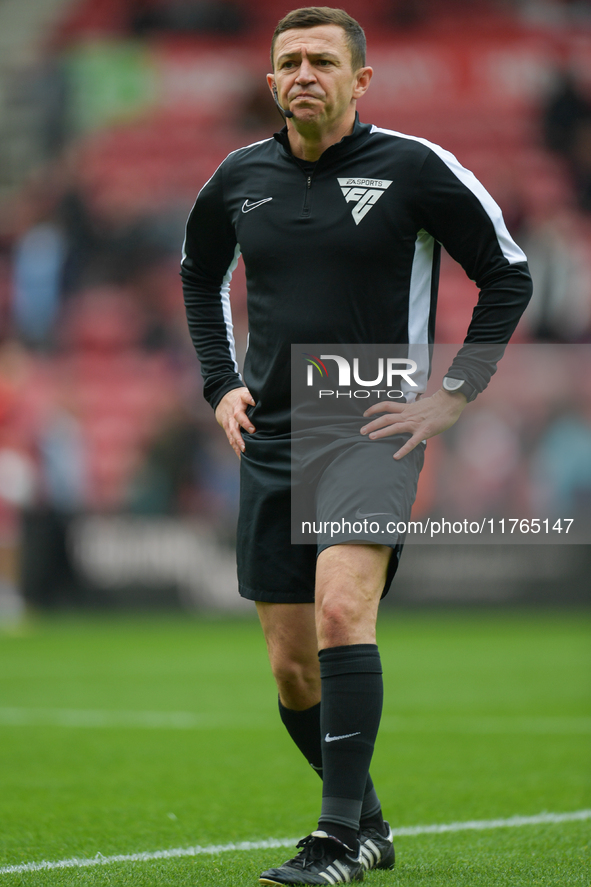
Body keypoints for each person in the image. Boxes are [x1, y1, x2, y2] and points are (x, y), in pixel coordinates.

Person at [181, 7, 532, 884]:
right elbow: (198, 275)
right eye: (288, 61)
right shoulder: (237, 177)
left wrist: (454, 395)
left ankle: (334, 838)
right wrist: (220, 383)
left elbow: (507, 274)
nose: (303, 73)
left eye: (321, 60)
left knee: (343, 610)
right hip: (272, 427)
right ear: (270, 81)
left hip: (368, 412)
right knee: (293, 667)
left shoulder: (413, 167)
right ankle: (368, 821)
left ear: (359, 79)